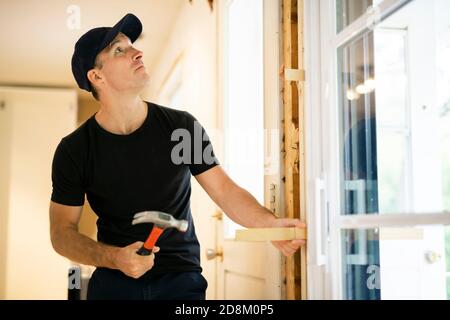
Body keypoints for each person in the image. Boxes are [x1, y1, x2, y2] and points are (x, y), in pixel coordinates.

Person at [49, 13, 306, 300]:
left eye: (131, 44)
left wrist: (268, 223)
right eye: (119, 50)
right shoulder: (74, 150)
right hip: (113, 284)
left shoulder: (180, 127)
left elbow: (224, 190)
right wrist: (115, 258)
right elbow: (61, 233)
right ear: (96, 76)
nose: (137, 52)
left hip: (181, 282)